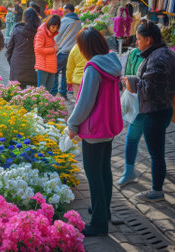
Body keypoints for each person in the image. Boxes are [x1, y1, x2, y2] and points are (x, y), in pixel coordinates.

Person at [67, 27, 123, 237]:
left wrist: (72, 125)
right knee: (104, 171)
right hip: (108, 126)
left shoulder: (93, 68)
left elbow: (85, 103)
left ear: (85, 47)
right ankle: (103, 210)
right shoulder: (113, 62)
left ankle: (99, 222)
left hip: (94, 129)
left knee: (94, 175)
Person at [123, 19, 175, 201]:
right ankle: (157, 184)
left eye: (139, 39)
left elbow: (150, 87)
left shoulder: (158, 58)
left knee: (156, 153)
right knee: (157, 151)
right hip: (160, 109)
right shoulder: (161, 53)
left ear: (149, 39)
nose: (137, 42)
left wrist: (133, 82)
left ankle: (156, 191)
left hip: (155, 112)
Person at [116, 47, 144, 187]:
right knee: (131, 137)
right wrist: (126, 85)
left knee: (155, 145)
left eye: (140, 39)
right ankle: (129, 171)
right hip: (136, 101)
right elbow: (127, 72)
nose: (137, 42)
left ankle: (157, 185)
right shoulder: (134, 53)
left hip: (153, 106)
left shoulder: (157, 55)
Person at [51, 4, 81, 99]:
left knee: (54, 71)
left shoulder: (66, 20)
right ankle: (63, 92)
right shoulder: (79, 21)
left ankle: (53, 93)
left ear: (68, 10)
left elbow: (57, 35)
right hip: (72, 52)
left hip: (63, 51)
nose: (62, 12)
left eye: (63, 10)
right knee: (65, 72)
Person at [6, 8, 40, 89]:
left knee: (17, 93)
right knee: (34, 95)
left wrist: (11, 61)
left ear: (24, 17)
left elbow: (9, 48)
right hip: (34, 66)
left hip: (17, 65)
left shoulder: (16, 29)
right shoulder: (39, 31)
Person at [34, 15, 60, 91]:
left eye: (56, 27)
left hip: (51, 66)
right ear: (48, 24)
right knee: (41, 91)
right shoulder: (41, 33)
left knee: (48, 90)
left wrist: (54, 48)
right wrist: (53, 49)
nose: (54, 29)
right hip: (43, 66)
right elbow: (38, 49)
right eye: (53, 27)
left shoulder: (50, 34)